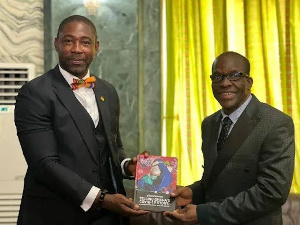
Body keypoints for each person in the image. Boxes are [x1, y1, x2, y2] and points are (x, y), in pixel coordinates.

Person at [14, 15, 149, 225]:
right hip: (54, 214)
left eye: (85, 42)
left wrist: (126, 166)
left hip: (107, 217)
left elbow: (112, 147)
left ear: (96, 47)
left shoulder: (108, 91)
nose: (77, 49)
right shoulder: (34, 93)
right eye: (68, 41)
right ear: (56, 44)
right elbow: (44, 164)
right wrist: (101, 198)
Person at [164, 51, 295, 225]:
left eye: (234, 76)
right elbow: (215, 179)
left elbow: (272, 192)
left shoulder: (275, 123)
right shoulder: (209, 124)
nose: (225, 83)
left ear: (249, 82)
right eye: (217, 77)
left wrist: (205, 213)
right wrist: (192, 193)